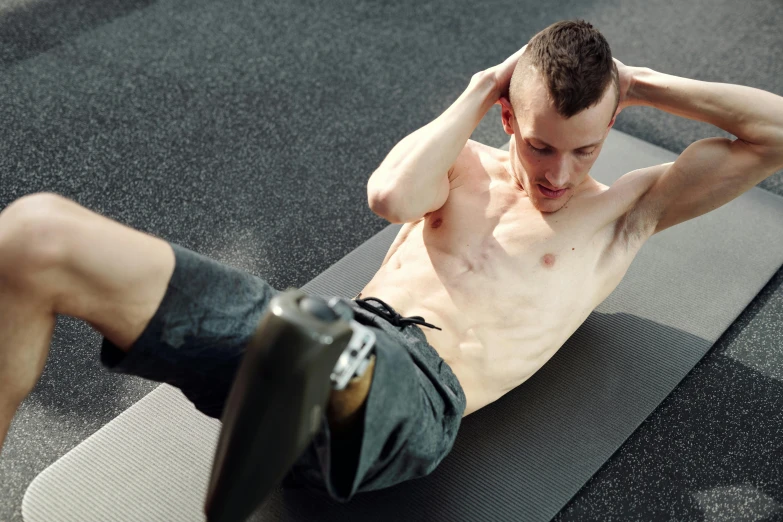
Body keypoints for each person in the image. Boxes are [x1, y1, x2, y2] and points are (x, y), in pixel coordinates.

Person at [1, 18, 782, 504]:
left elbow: (771, 135)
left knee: (306, 339)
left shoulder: (623, 215)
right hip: (310, 344)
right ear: (506, 113)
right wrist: (480, 85)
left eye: (586, 148)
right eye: (539, 144)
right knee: (35, 235)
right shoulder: (463, 166)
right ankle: (283, 400)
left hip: (410, 402)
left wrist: (637, 83)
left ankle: (284, 410)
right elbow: (388, 195)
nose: (559, 174)